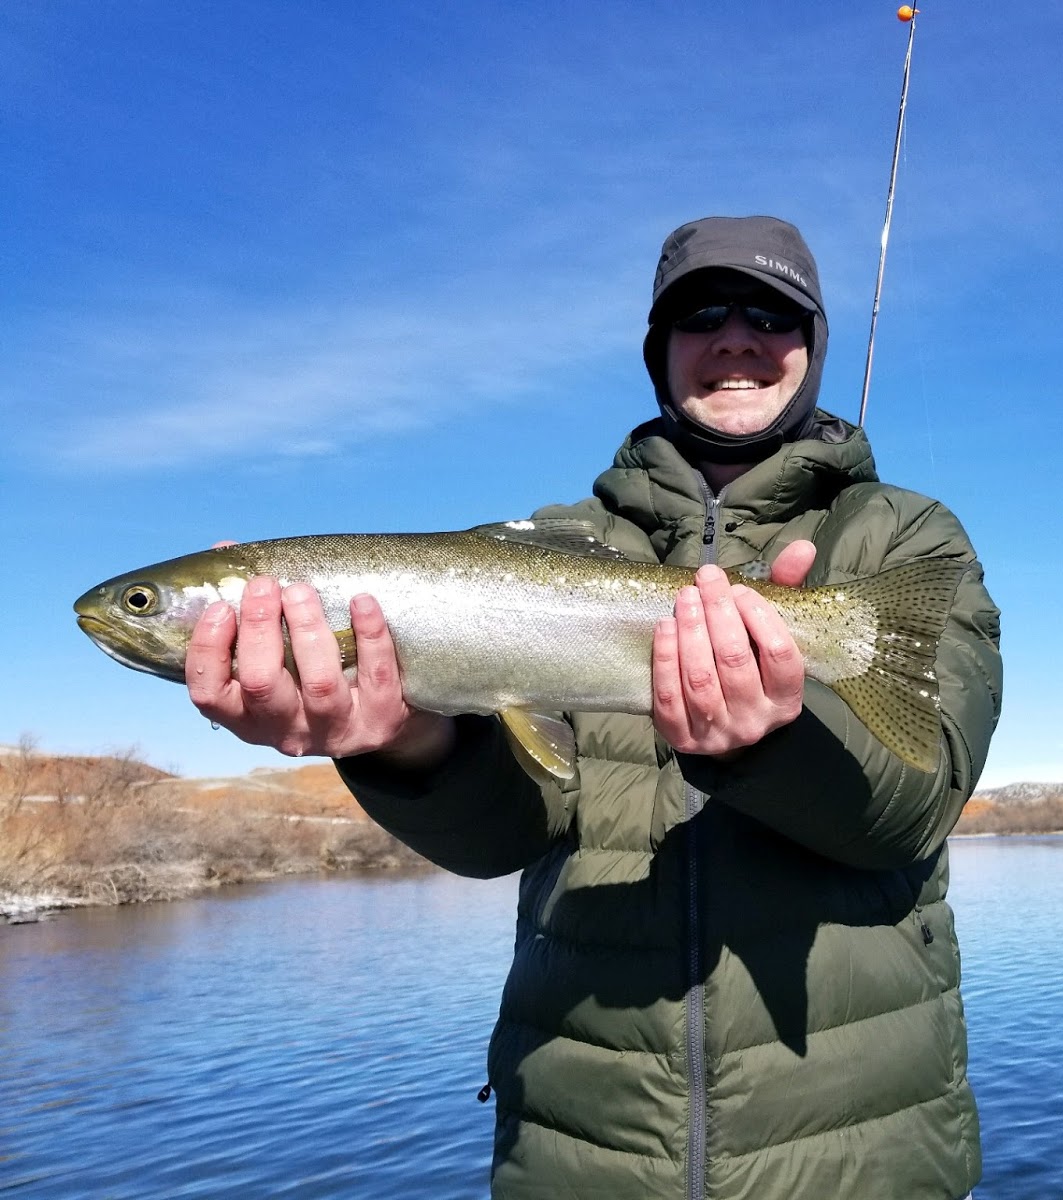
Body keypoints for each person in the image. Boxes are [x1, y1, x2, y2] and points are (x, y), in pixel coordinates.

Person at [186, 215, 1002, 1200]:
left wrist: (767, 746)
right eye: (702, 314)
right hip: (577, 1148)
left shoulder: (904, 538)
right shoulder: (554, 542)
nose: (735, 337)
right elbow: (509, 834)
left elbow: (915, 809)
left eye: (770, 315)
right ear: (660, 351)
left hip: (863, 1151)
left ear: (813, 344)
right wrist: (404, 744)